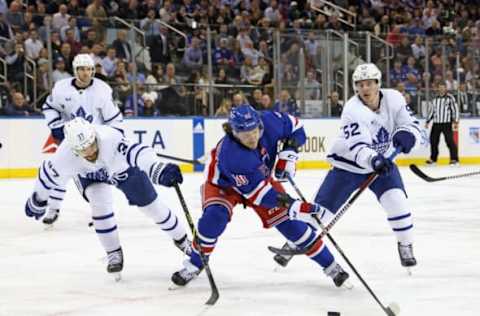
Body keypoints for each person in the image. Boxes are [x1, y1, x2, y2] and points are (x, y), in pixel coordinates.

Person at [170, 104, 350, 288]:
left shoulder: (270, 121)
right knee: (214, 219)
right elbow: (260, 196)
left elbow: (296, 127)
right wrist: (294, 206)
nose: (252, 137)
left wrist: (290, 152)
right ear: (233, 132)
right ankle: (194, 264)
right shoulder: (232, 155)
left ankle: (331, 267)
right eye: (245, 134)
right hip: (224, 184)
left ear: (260, 124)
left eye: (255, 131)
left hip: (258, 178)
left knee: (291, 225)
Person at [275, 63, 422, 271]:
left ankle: (405, 245)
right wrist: (374, 160)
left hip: (384, 164)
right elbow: (358, 148)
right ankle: (294, 242)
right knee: (321, 214)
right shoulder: (353, 110)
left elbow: (412, 125)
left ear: (378, 84)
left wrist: (408, 135)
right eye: (360, 85)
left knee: (397, 202)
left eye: (369, 83)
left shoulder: (394, 99)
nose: (365, 89)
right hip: (348, 167)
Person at [25, 118, 190, 279]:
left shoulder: (111, 138)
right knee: (100, 204)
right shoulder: (64, 155)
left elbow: (139, 152)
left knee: (153, 208)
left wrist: (157, 169)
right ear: (73, 149)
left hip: (122, 171)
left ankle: (183, 240)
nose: (90, 152)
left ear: (94, 136)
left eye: (91, 145)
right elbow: (46, 176)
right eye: (83, 150)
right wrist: (38, 199)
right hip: (90, 176)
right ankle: (113, 252)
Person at [41, 54, 123, 225]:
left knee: (98, 177)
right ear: (75, 70)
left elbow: (114, 118)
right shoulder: (61, 88)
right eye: (82, 69)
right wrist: (56, 126)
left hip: (93, 142)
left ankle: (101, 212)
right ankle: (53, 209)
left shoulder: (102, 90)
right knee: (60, 172)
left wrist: (113, 136)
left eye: (89, 69)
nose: (86, 73)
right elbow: (49, 107)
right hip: (69, 139)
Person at [425, 82, 459, 165]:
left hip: (446, 123)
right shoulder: (435, 98)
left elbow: (455, 109)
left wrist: (456, 120)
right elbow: (431, 110)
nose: (441, 89)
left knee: (450, 141)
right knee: (433, 141)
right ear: (438, 88)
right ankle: (433, 159)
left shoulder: (450, 98)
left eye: (443, 87)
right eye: (440, 87)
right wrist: (428, 121)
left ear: (445, 88)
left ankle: (454, 159)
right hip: (436, 123)